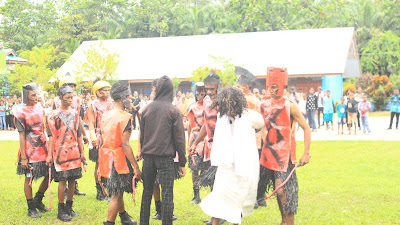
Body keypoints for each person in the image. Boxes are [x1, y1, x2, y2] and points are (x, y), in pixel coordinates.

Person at [200, 87, 265, 225]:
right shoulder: (250, 116)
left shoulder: (222, 117)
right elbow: (260, 125)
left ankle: (215, 223)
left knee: (221, 194)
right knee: (237, 197)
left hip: (228, 165)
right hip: (242, 165)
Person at [260, 67, 311, 225]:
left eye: (274, 86)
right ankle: (284, 221)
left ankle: (289, 222)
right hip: (269, 157)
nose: (271, 90)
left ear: (282, 86)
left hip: (286, 157)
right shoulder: (264, 104)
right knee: (278, 191)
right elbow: (261, 127)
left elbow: (306, 127)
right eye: (269, 86)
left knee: (283, 191)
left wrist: (306, 153)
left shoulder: (290, 106)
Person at [139, 75, 186, 225]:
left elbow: (142, 136)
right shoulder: (174, 111)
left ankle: (143, 222)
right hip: (165, 160)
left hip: (148, 158)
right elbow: (179, 139)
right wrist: (182, 163)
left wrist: (142, 151)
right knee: (167, 194)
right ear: (171, 90)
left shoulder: (146, 109)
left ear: (157, 89)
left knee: (146, 193)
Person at [99, 81, 142, 225]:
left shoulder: (105, 115)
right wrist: (135, 167)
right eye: (129, 97)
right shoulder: (125, 117)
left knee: (118, 189)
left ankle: (124, 218)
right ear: (123, 98)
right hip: (118, 161)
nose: (131, 99)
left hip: (106, 159)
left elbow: (101, 140)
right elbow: (125, 145)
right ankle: (109, 222)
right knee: (116, 194)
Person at [46, 85, 85, 222]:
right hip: (60, 153)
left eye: (72, 97)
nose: (70, 100)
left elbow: (79, 134)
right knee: (62, 181)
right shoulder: (53, 115)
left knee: (73, 180)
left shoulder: (75, 113)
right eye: (67, 97)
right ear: (60, 98)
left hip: (74, 152)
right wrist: (50, 155)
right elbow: (51, 136)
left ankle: (69, 207)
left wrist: (82, 152)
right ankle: (61, 209)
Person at [188, 70, 221, 225]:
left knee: (222, 182)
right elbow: (206, 125)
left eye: (211, 89)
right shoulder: (207, 101)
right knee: (213, 183)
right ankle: (218, 215)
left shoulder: (225, 102)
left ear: (218, 88)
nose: (208, 93)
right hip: (209, 148)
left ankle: (223, 215)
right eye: (206, 89)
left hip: (224, 149)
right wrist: (195, 143)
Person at [15, 83, 50, 218]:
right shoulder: (20, 112)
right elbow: (22, 135)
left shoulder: (41, 109)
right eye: (32, 95)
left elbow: (45, 129)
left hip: (43, 148)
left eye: (36, 94)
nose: (36, 97)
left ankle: (38, 200)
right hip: (29, 151)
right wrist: (24, 157)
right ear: (26, 96)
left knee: (49, 175)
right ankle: (31, 208)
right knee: (29, 177)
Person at [235, 66, 266, 208]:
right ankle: (258, 198)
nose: (236, 88)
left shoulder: (249, 100)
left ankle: (253, 199)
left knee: (249, 171)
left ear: (246, 87)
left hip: (251, 139)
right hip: (253, 139)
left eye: (238, 86)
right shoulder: (252, 98)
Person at [53, 75, 88, 196]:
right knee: (63, 176)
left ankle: (73, 191)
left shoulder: (77, 100)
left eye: (73, 85)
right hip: (61, 140)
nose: (71, 87)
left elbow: (79, 119)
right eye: (69, 85)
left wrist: (83, 134)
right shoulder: (56, 103)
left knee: (73, 173)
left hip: (73, 136)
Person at [85, 80, 113, 201]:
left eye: (108, 90)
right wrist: (92, 137)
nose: (107, 93)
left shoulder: (111, 104)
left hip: (110, 135)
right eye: (104, 90)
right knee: (99, 164)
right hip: (98, 135)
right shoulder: (93, 105)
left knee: (110, 163)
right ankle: (100, 191)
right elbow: (91, 123)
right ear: (97, 92)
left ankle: (108, 188)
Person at [186, 82, 206, 205]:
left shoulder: (209, 105)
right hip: (194, 139)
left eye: (202, 93)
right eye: (197, 93)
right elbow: (189, 125)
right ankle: (196, 195)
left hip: (207, 140)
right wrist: (189, 142)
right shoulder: (191, 106)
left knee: (209, 168)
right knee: (194, 169)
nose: (200, 95)